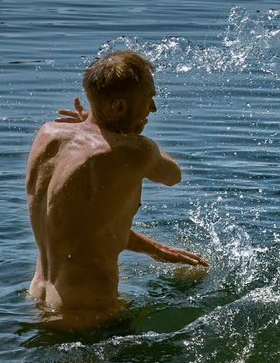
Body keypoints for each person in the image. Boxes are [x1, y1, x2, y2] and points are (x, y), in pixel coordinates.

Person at [26, 50, 208, 325]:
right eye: (149, 100)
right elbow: (173, 175)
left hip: (38, 297)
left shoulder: (47, 135)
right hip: (89, 312)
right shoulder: (136, 152)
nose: (153, 111)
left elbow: (80, 227)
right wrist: (124, 136)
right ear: (119, 107)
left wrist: (156, 249)